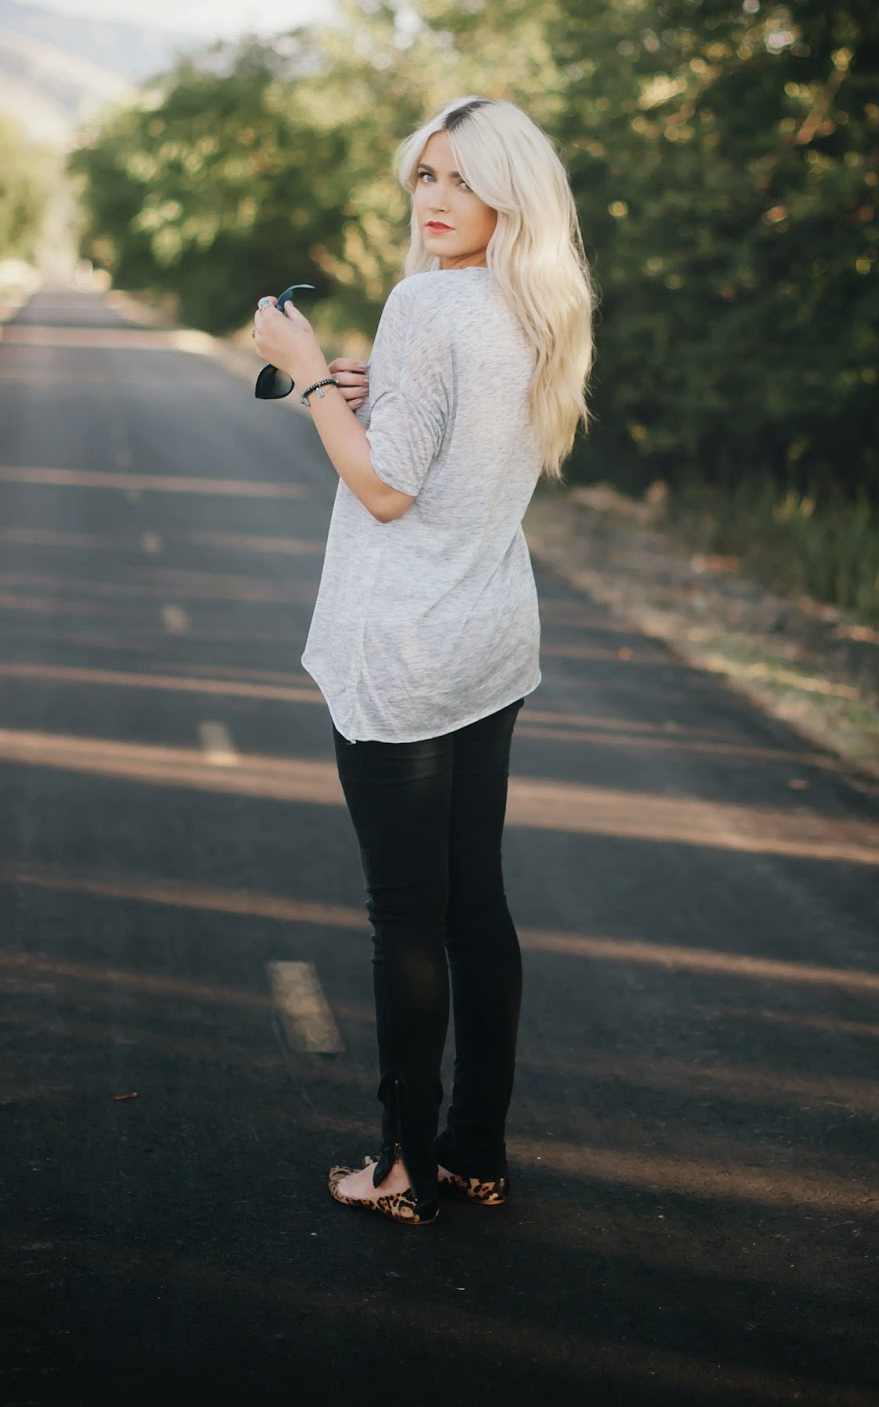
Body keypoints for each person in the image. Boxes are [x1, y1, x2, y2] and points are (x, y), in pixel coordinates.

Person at [252, 95, 595, 1226]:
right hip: (489, 642)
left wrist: (306, 372)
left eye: (463, 179)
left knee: (405, 917)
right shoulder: (536, 306)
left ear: (511, 193)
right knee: (474, 906)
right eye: (426, 177)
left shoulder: (427, 302)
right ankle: (475, 1154)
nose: (438, 199)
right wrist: (372, 392)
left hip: (405, 653)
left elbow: (387, 490)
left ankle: (402, 1168)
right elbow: (443, 446)